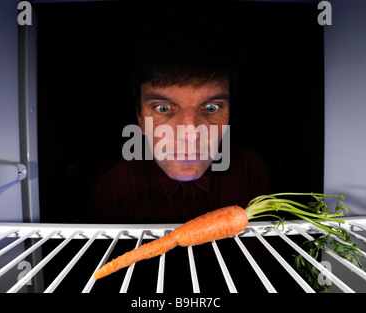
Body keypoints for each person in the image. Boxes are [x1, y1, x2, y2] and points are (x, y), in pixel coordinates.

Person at [87, 4, 272, 224]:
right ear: (139, 118)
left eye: (211, 108)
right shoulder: (113, 187)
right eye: (163, 109)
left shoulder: (253, 172)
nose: (191, 134)